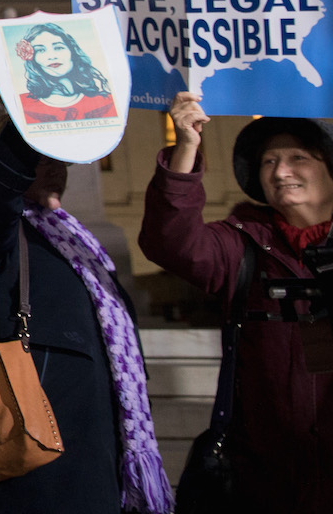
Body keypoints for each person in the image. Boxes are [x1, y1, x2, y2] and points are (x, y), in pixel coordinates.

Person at [0, 117, 172, 512]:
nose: (54, 169)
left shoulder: (73, 241)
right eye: (40, 158)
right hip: (30, 458)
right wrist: (34, 115)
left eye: (60, 159)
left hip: (96, 449)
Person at [138, 93, 333, 507]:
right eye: (268, 161)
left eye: (298, 158)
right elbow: (170, 242)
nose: (280, 171)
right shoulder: (241, 243)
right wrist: (186, 146)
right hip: (264, 483)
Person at [12, 22, 115, 123]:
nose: (52, 56)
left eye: (58, 48)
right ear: (32, 58)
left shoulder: (106, 101)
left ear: (72, 52)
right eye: (40, 50)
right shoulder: (21, 104)